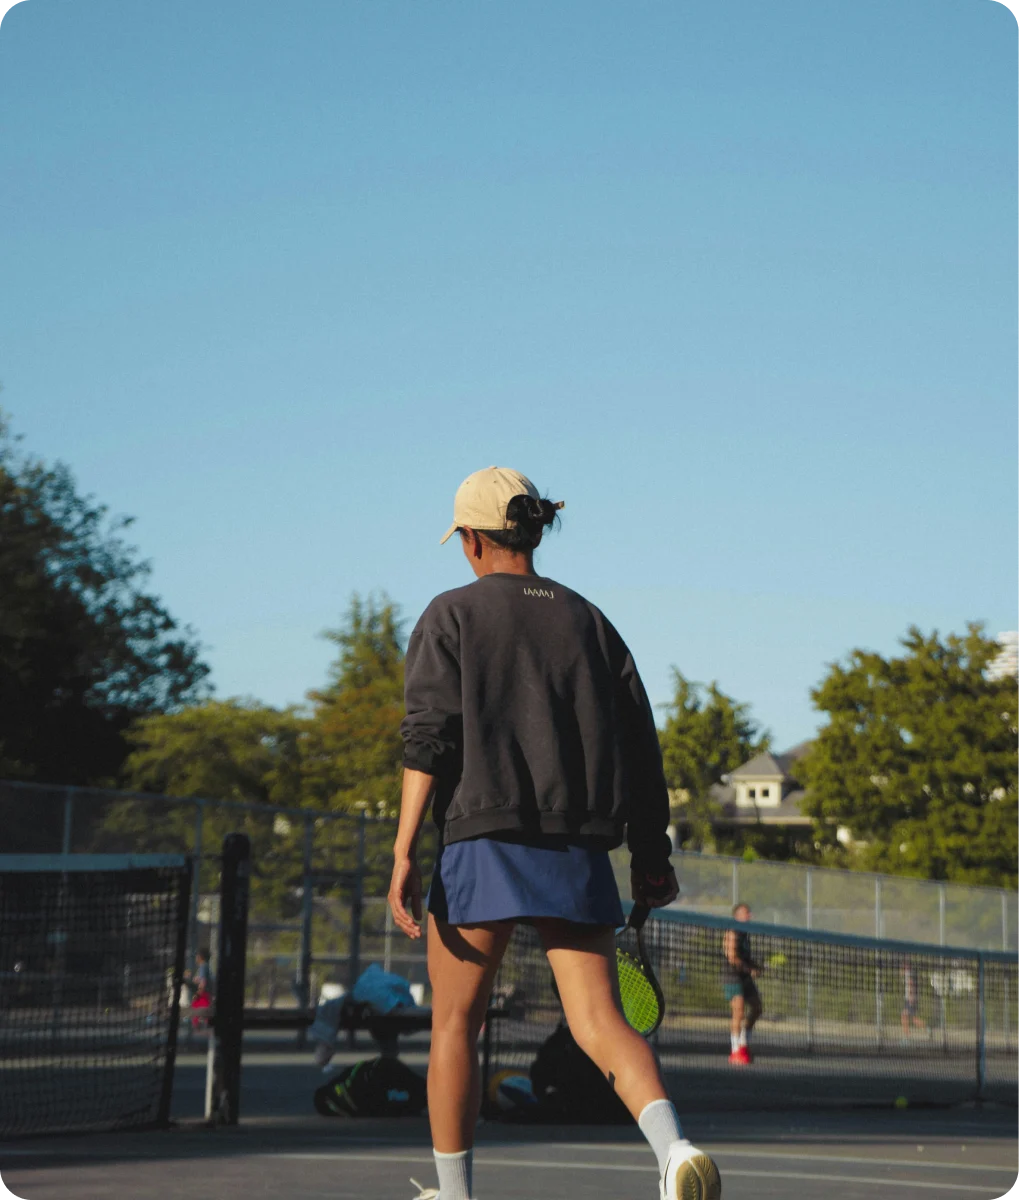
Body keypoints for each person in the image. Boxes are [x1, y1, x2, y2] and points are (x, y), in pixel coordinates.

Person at [389, 467, 721, 1200]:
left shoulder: (450, 613)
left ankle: (455, 1196)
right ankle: (674, 1152)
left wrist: (403, 849)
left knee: (455, 1024)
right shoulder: (591, 621)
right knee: (599, 1020)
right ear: (533, 532)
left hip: (482, 841)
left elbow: (427, 739)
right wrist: (652, 856)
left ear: (473, 539)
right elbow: (641, 751)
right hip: (578, 849)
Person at [722, 903, 761, 1065]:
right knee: (738, 1011)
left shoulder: (745, 934)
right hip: (732, 977)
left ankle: (744, 1041)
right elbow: (732, 957)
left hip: (745, 977)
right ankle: (735, 1050)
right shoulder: (732, 932)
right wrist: (749, 969)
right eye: (746, 913)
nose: (749, 916)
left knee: (757, 1008)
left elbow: (746, 958)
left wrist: (755, 967)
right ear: (737, 916)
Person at [901, 956, 926, 1039]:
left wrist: (911, 997)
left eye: (904, 964)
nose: (902, 966)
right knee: (911, 1018)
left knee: (905, 1016)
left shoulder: (910, 973)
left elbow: (911, 985)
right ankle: (927, 1029)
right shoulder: (908, 973)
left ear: (907, 965)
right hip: (908, 998)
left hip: (910, 998)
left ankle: (906, 1036)